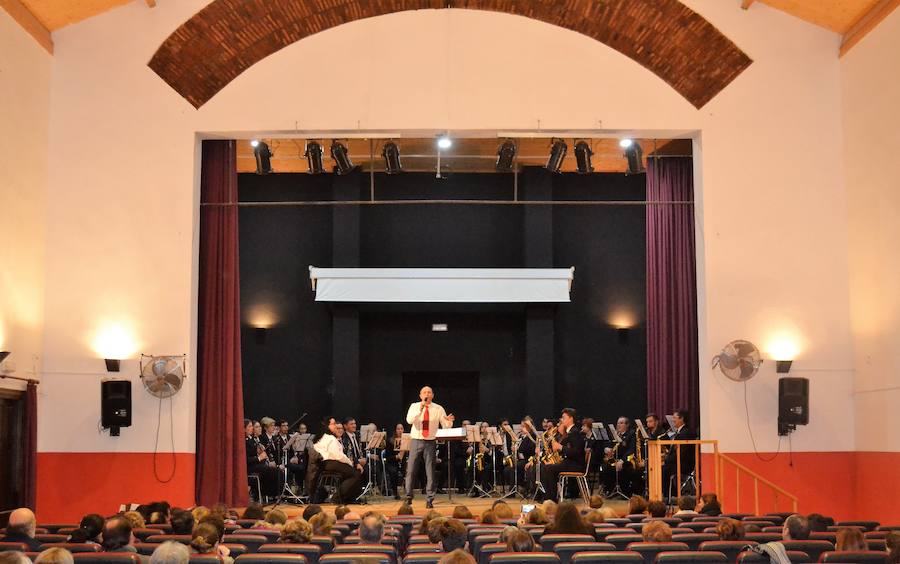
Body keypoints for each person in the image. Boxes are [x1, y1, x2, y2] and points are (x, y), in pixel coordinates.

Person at [405, 386, 455, 508]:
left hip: (430, 441)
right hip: (416, 440)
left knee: (430, 471)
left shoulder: (438, 408)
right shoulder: (414, 406)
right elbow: (409, 420)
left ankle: (429, 499)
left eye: (429, 392)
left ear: (432, 395)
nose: (427, 394)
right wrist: (420, 409)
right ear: (420, 395)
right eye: (424, 392)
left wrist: (449, 421)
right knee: (411, 470)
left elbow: (445, 425)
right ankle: (408, 497)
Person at [538, 408, 586, 502]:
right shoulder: (569, 432)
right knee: (546, 467)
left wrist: (560, 447)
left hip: (575, 464)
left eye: (564, 417)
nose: (562, 420)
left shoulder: (575, 432)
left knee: (549, 469)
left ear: (571, 418)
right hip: (569, 462)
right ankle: (548, 497)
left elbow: (577, 452)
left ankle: (551, 499)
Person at [313, 416, 363, 504]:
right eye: (333, 424)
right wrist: (349, 462)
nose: (335, 426)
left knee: (351, 473)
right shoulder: (330, 438)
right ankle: (337, 497)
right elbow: (338, 456)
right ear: (327, 426)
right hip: (330, 463)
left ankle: (347, 498)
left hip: (326, 463)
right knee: (355, 474)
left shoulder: (323, 437)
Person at [662, 409, 696, 496]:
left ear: (681, 419)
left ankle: (668, 496)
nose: (673, 420)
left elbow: (681, 453)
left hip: (684, 464)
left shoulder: (685, 433)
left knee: (663, 469)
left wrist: (666, 459)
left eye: (675, 418)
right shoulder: (681, 432)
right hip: (678, 461)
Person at [245, 419, 279, 500]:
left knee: (274, 470)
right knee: (271, 471)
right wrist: (259, 457)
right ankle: (268, 494)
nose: (252, 428)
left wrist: (259, 452)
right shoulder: (245, 440)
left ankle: (270, 494)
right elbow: (247, 459)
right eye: (250, 426)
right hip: (250, 467)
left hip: (256, 464)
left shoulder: (251, 439)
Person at [384, 423, 407, 499]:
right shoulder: (390, 441)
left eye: (401, 429)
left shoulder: (406, 440)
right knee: (394, 472)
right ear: (395, 430)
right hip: (392, 463)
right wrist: (396, 456)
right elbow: (388, 457)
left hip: (402, 463)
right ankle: (395, 492)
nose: (400, 431)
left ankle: (408, 491)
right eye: (398, 429)